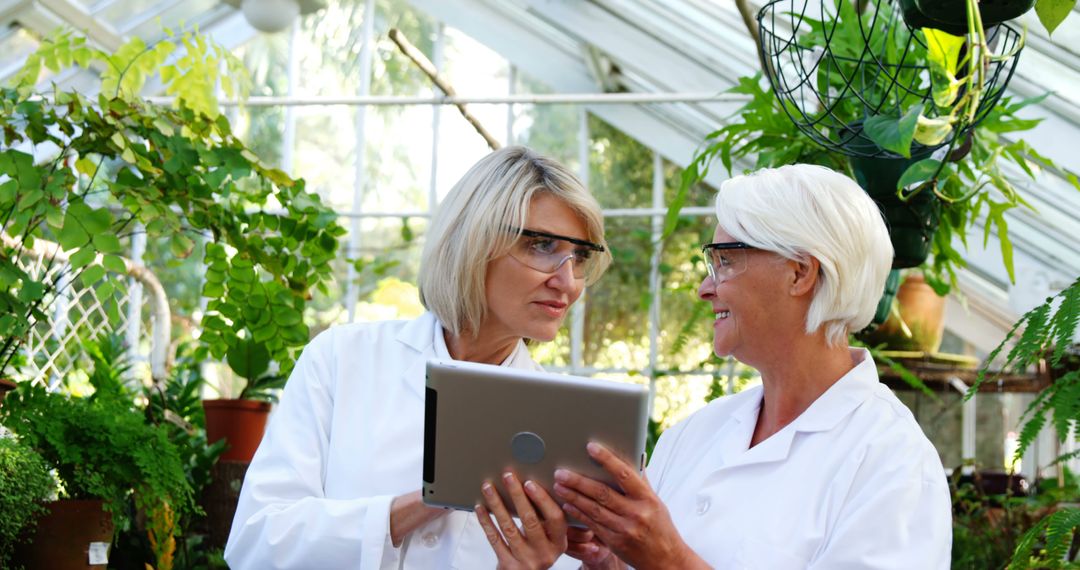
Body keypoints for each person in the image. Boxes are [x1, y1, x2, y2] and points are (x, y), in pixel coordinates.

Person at [224, 146, 613, 569]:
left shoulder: (570, 428)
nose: (568, 281)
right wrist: (428, 501)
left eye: (580, 257)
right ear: (475, 241)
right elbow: (256, 541)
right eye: (542, 245)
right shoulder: (342, 359)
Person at [553, 164, 952, 569]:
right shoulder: (694, 434)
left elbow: (668, 558)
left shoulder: (894, 463)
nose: (704, 289)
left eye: (725, 260)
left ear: (799, 273)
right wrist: (614, 562)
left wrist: (668, 561)